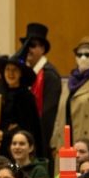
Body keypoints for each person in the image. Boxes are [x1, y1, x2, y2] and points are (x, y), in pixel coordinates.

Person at [0, 54, 44, 160]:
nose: (10, 73)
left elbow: (28, 128)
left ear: (20, 73)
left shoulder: (26, 97)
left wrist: (5, 135)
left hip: (16, 153)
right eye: (7, 69)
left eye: (14, 70)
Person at [20, 23, 62, 155]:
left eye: (32, 46)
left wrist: (38, 145)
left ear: (42, 48)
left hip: (40, 143)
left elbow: (48, 117)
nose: (28, 50)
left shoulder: (49, 75)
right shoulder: (27, 73)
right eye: (25, 46)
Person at [66, 38, 89, 144]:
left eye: (88, 54)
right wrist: (54, 143)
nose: (82, 58)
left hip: (87, 144)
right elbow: (59, 115)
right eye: (79, 54)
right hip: (67, 142)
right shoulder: (70, 81)